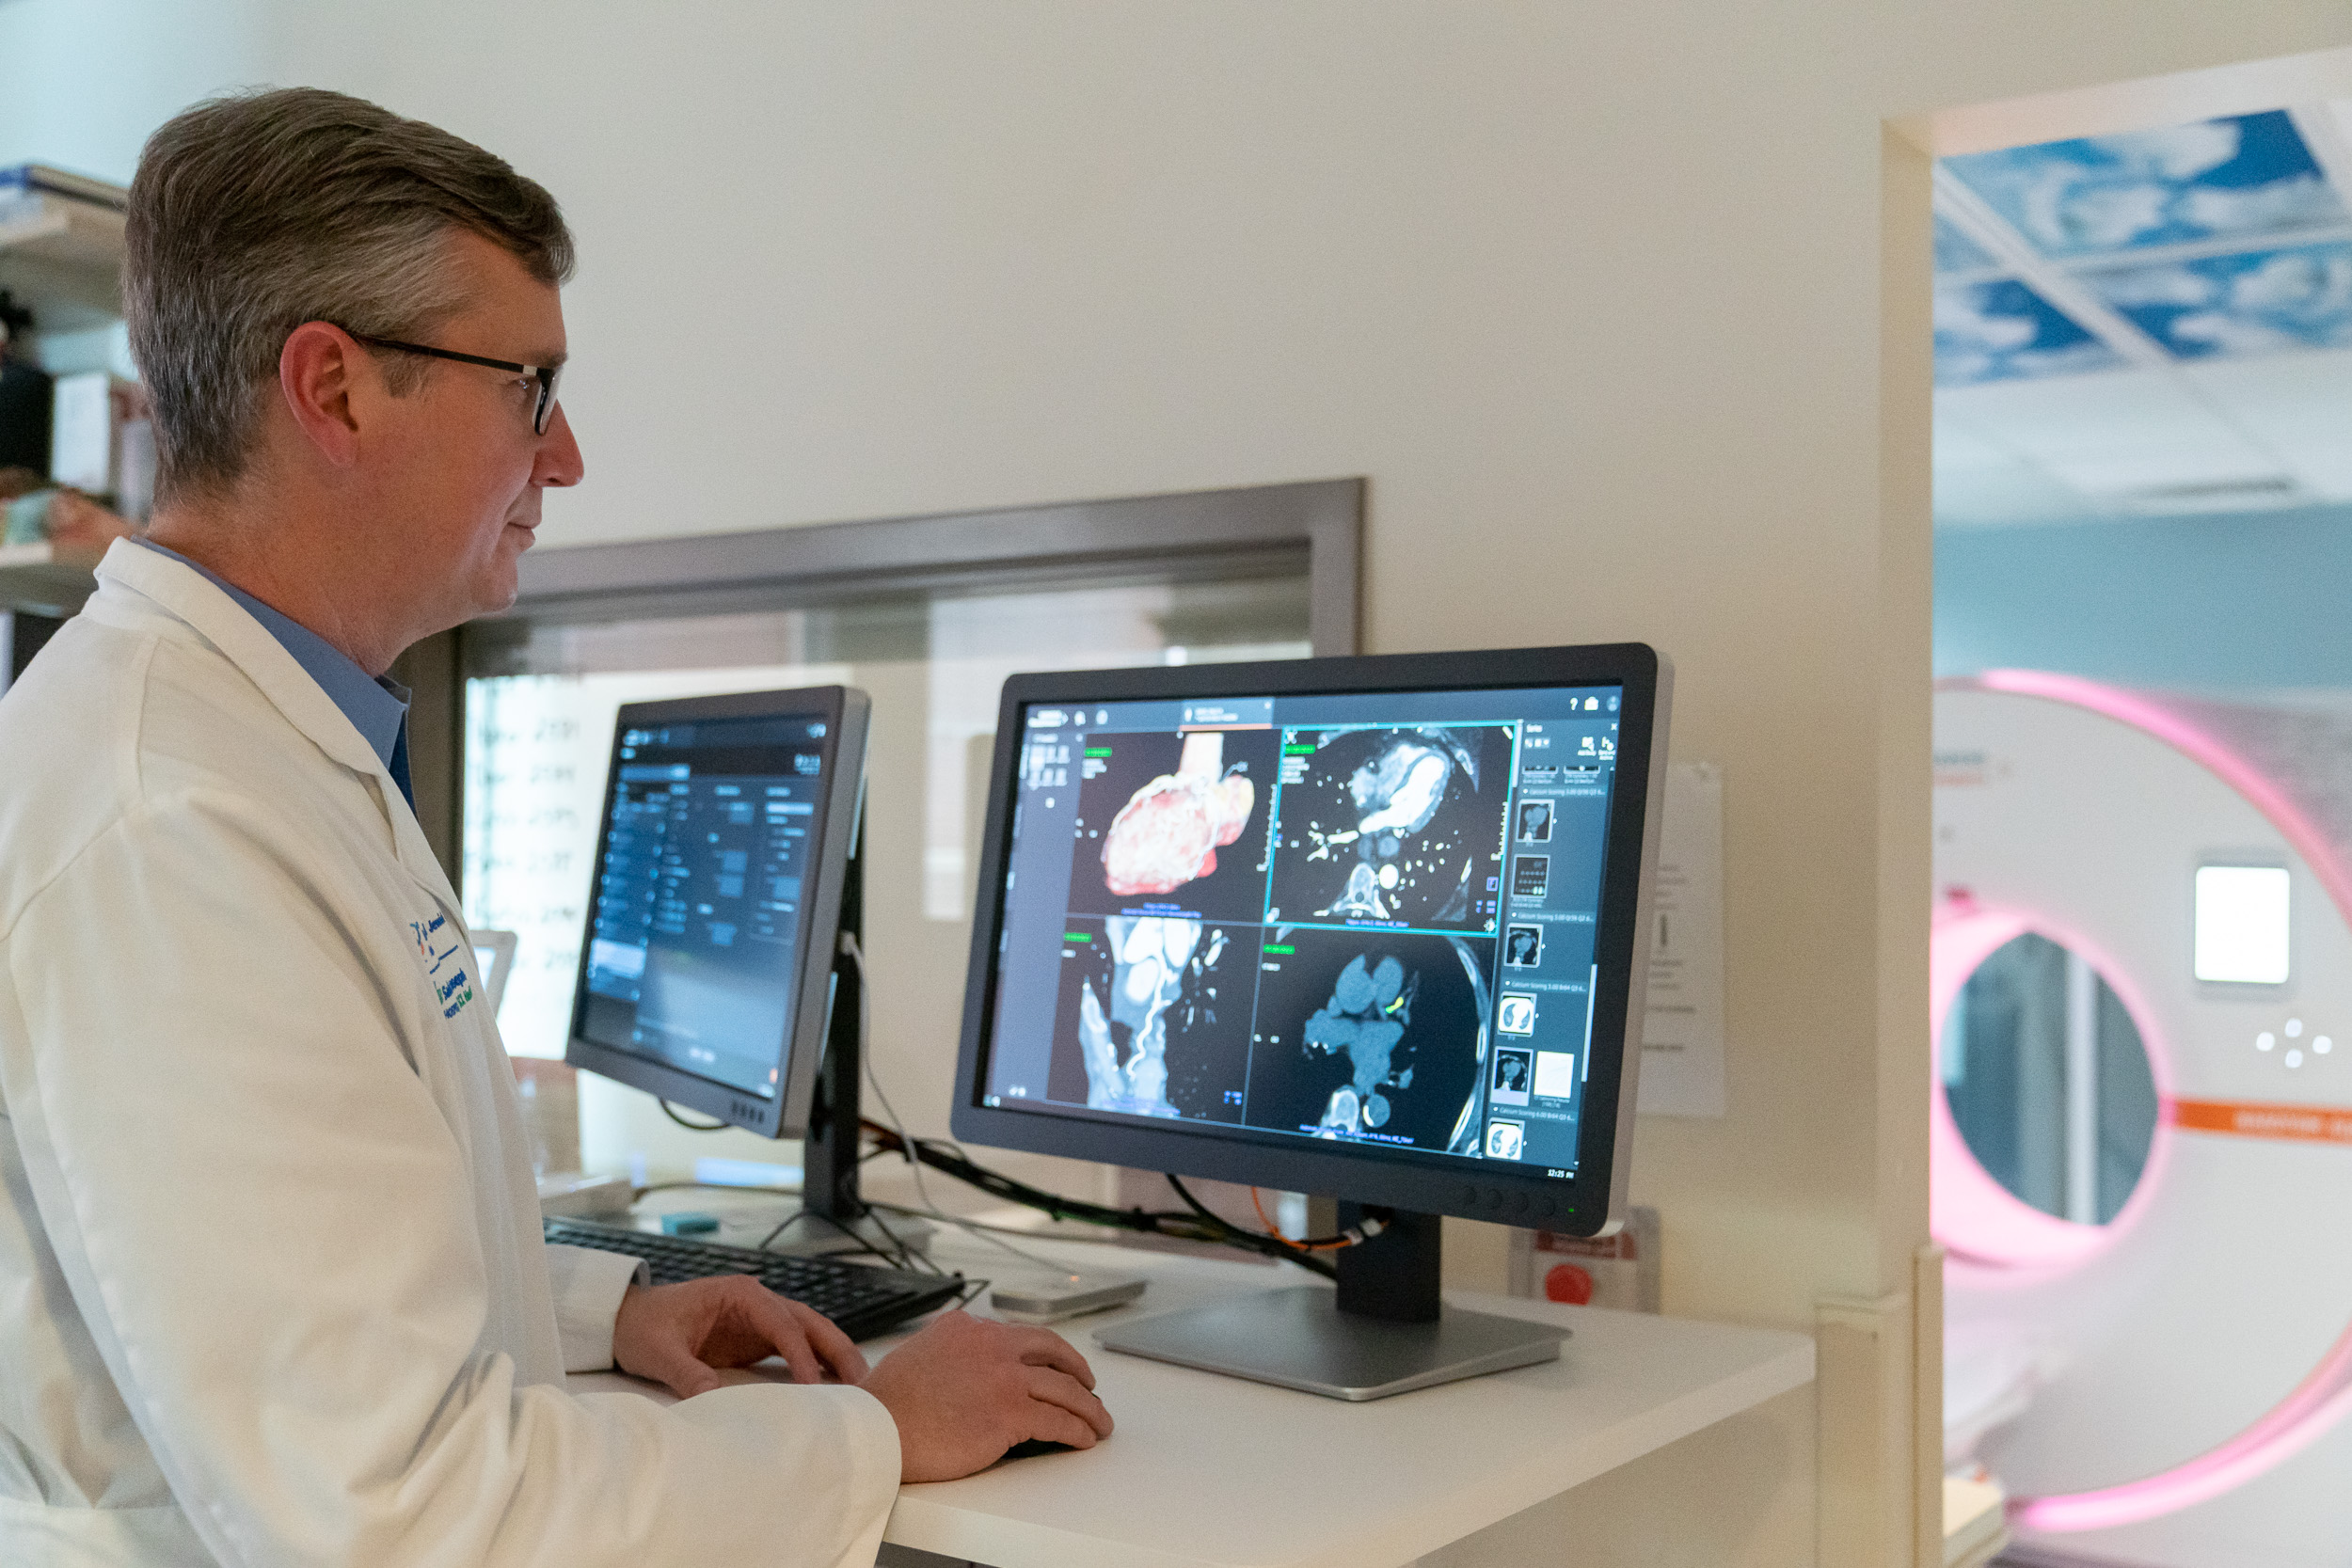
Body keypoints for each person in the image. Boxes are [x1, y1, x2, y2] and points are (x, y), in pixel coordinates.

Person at [0, 88, 1110, 1566]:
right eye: (529, 385)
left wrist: (602, 1309)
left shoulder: (270, 743)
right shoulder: (172, 825)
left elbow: (307, 1282)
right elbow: (405, 1520)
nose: (567, 452)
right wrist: (875, 1432)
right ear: (334, 390)